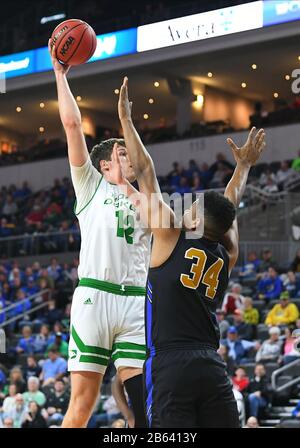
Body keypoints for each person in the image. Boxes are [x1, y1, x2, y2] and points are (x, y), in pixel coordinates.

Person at [115, 77, 266, 427]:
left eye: (193, 205)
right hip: (211, 366)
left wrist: (126, 121)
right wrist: (243, 167)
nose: (187, 206)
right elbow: (229, 207)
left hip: (170, 364)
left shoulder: (170, 236)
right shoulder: (227, 254)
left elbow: (147, 174)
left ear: (197, 220)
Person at [50, 46, 151, 428]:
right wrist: (61, 76)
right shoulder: (90, 185)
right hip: (95, 295)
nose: (132, 157)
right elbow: (73, 126)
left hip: (136, 303)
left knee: (145, 403)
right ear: (105, 164)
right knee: (83, 402)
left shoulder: (149, 197)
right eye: (124, 153)